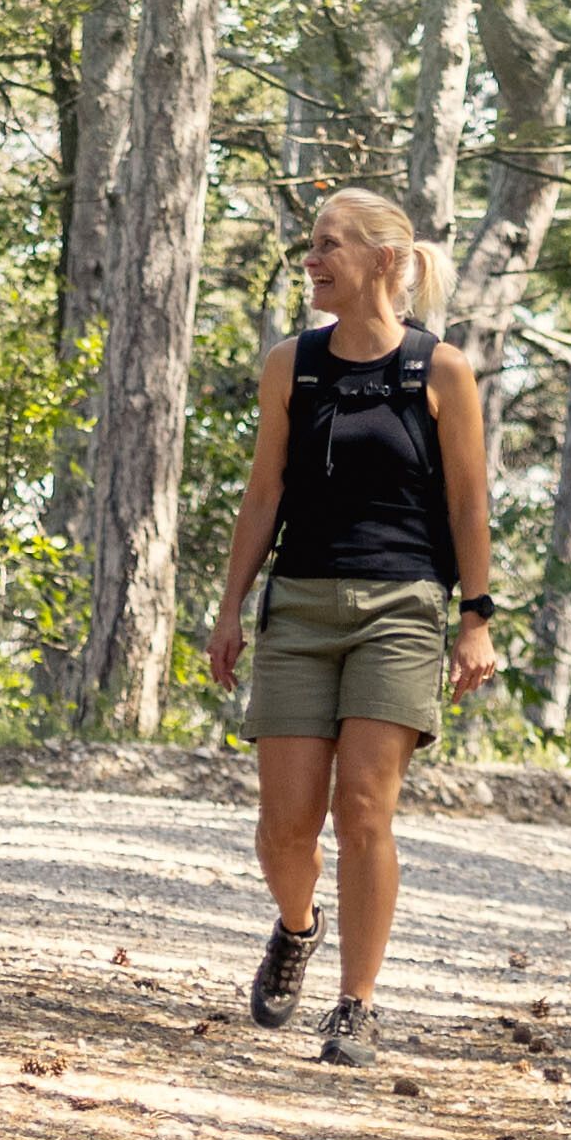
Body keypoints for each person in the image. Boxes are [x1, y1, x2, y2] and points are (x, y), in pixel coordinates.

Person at [198, 183, 494, 1069]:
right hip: (298, 607)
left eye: (329, 244)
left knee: (362, 808)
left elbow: (469, 503)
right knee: (284, 827)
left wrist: (475, 620)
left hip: (402, 609)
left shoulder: (439, 370)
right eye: (313, 244)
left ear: (382, 260)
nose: (312, 259)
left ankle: (355, 1006)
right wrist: (229, 608)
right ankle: (298, 926)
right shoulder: (291, 365)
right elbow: (264, 494)